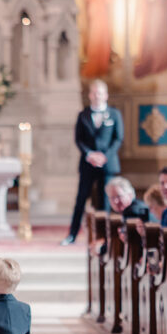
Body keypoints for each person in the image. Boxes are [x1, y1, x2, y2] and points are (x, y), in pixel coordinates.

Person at [65, 80, 124, 244]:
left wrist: (105, 156)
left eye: (100, 93)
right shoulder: (82, 115)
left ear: (105, 95)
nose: (97, 96)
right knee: (81, 199)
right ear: (90, 95)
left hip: (108, 164)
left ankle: (103, 237)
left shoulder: (114, 114)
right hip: (88, 163)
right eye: (94, 93)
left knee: (105, 199)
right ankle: (72, 234)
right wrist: (89, 154)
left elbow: (118, 138)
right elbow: (79, 139)